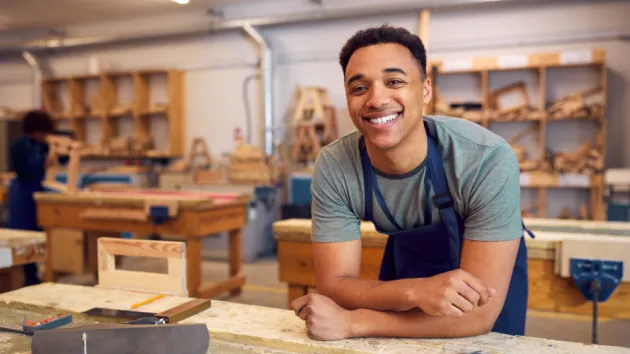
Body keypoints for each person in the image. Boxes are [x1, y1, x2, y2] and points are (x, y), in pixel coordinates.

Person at [290, 25, 533, 341]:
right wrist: (415, 290)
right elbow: (335, 284)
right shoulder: (336, 165)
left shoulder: (485, 159)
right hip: (408, 271)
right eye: (359, 88)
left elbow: (478, 315)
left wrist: (354, 323)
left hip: (487, 281)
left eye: (394, 82)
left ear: (426, 90)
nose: (377, 99)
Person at [6, 109, 56, 286]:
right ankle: (25, 275)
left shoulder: (41, 144)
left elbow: (59, 155)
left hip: (36, 190)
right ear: (33, 131)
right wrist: (43, 164)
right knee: (23, 234)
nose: (44, 137)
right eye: (42, 133)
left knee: (37, 233)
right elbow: (25, 173)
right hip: (22, 193)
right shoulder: (18, 146)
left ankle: (33, 274)